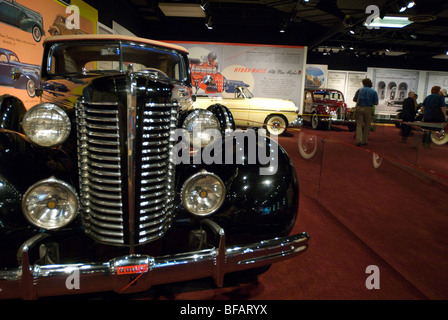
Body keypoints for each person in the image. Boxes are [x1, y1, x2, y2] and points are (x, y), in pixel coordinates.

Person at [353, 78, 379, 146]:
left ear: (363, 83)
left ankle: (358, 140)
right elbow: (376, 103)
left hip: (360, 108)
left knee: (359, 125)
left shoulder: (360, 90)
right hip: (368, 109)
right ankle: (364, 140)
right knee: (367, 125)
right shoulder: (373, 91)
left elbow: (354, 99)